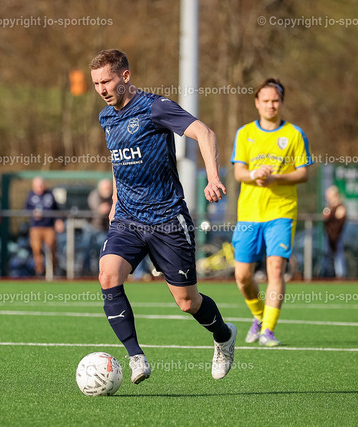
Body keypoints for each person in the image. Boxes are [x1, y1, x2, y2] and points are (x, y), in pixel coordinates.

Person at [90, 49, 237, 384]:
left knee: (187, 302)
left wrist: (213, 178)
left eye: (106, 81)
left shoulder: (155, 107)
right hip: (128, 219)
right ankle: (135, 357)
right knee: (108, 276)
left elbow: (205, 133)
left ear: (125, 76)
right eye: (96, 83)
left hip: (167, 219)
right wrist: (115, 200)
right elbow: (117, 160)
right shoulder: (106, 117)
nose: (101, 89)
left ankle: (224, 335)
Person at [231, 78, 312, 347]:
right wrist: (255, 174)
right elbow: (239, 172)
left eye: (275, 101)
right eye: (265, 100)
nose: (270, 105)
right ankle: (259, 316)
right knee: (243, 276)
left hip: (281, 212)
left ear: (282, 102)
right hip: (249, 214)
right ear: (257, 103)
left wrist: (276, 178)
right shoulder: (244, 133)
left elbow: (303, 173)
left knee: (275, 270)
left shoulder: (294, 134)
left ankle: (268, 330)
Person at [24, 177, 64, 276]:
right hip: (35, 227)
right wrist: (33, 213)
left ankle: (53, 270)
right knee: (36, 249)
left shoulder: (49, 194)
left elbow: (56, 209)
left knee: (51, 248)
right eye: (37, 186)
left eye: (41, 185)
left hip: (49, 227)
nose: (40, 188)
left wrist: (59, 220)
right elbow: (26, 209)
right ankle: (39, 271)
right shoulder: (30, 195)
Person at [323, 185, 347, 278]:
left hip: (338, 236)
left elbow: (339, 221)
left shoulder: (340, 207)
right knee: (327, 255)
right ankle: (326, 274)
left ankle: (340, 274)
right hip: (329, 236)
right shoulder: (329, 207)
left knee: (338, 255)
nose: (328, 198)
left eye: (329, 196)